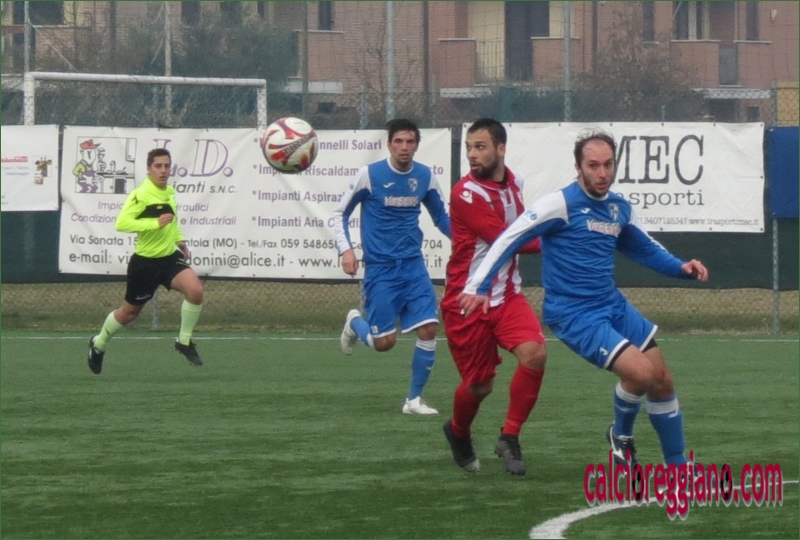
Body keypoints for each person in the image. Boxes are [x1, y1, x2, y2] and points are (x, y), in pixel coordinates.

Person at [459, 128, 709, 473]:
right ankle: (620, 437)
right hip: (574, 314)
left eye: (608, 164)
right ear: (578, 167)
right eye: (593, 165)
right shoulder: (559, 204)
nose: (602, 173)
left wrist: (681, 267)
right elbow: (509, 238)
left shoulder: (618, 208)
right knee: (640, 373)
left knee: (662, 378)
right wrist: (479, 286)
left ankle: (678, 469)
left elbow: (645, 248)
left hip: (611, 304)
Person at [441, 119, 547, 476]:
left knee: (535, 354)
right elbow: (507, 239)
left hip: (507, 295)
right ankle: (458, 431)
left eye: (480, 146)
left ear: (501, 149)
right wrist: (563, 240)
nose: (472, 154)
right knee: (479, 385)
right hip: (468, 299)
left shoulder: (514, 183)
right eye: (469, 147)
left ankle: (509, 436)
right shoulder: (466, 193)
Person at [333, 118, 451, 415]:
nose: (404, 147)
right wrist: (346, 249)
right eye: (398, 141)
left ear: (417, 145)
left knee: (429, 328)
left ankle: (413, 400)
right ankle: (354, 322)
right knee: (384, 343)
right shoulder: (370, 175)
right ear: (389, 144)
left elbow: (441, 217)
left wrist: (468, 242)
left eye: (410, 141)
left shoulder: (425, 176)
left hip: (413, 266)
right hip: (381, 270)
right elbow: (339, 213)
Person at [87, 148, 205, 374]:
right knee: (129, 314)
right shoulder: (140, 194)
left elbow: (171, 220)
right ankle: (98, 343)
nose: (163, 171)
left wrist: (179, 241)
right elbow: (122, 223)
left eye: (167, 166)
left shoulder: (169, 191)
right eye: (158, 166)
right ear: (149, 169)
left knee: (196, 290)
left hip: (169, 258)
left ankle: (184, 341)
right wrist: (154, 224)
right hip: (145, 264)